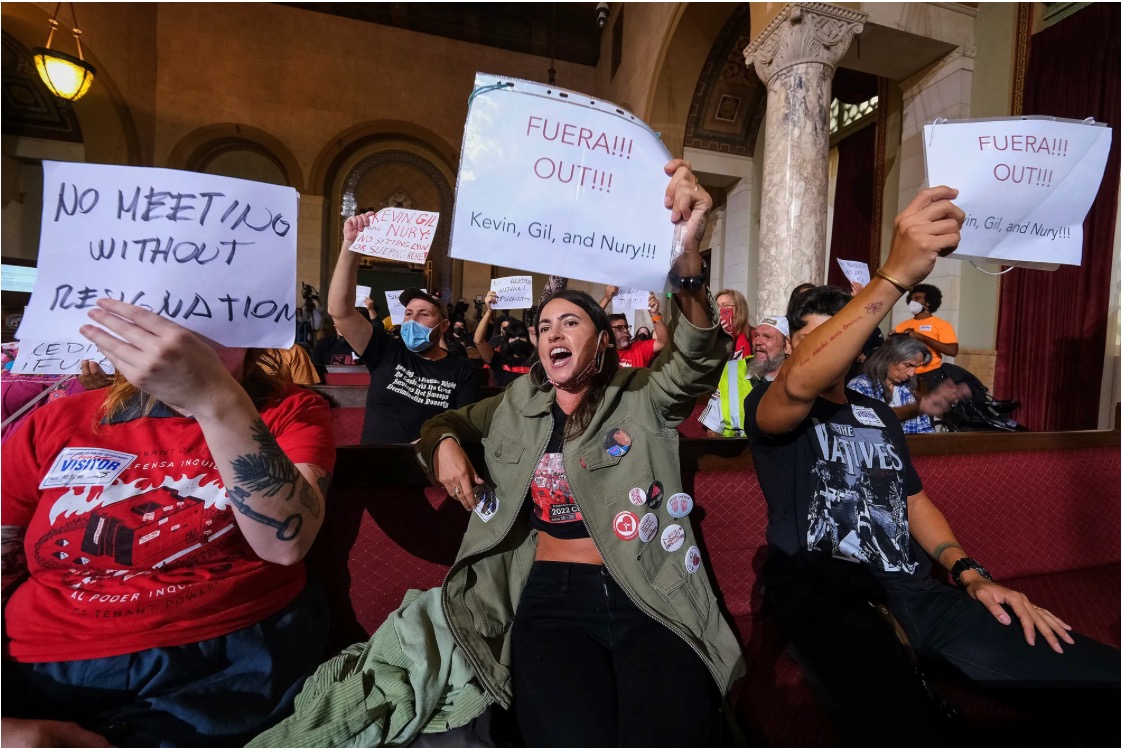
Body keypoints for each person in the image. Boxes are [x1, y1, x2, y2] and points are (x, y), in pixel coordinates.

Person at [745, 186, 1119, 745]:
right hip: (824, 595)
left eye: (836, 336)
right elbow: (799, 383)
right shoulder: (770, 403)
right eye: (809, 338)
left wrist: (972, 575)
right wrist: (895, 274)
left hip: (915, 590)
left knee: (1096, 679)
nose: (821, 347)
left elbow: (913, 500)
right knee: (903, 725)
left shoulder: (877, 414)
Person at [415, 161, 744, 746]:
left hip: (648, 584)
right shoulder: (517, 402)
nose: (553, 334)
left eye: (570, 322)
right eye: (544, 327)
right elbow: (446, 422)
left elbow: (696, 358)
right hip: (550, 593)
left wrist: (687, 253)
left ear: (602, 341)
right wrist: (443, 444)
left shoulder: (643, 397)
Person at [1, 300, 335, 747]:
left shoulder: (290, 411)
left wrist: (214, 399)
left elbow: (286, 542)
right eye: (166, 312)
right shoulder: (56, 420)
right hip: (38, 659)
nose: (178, 336)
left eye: (211, 313)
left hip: (216, 661)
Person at [327, 218, 478, 444]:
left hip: (428, 462)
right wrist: (351, 244)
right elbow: (340, 311)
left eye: (423, 314)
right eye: (408, 314)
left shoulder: (462, 369)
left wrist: (430, 443)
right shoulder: (386, 350)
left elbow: (465, 427)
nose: (412, 321)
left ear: (444, 325)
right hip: (376, 462)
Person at [847, 333, 969, 434]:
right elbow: (868, 425)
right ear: (888, 358)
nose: (911, 373)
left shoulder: (908, 391)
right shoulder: (860, 387)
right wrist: (917, 408)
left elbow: (925, 433)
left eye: (915, 367)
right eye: (907, 365)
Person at [700, 314, 789, 437]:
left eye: (767, 337)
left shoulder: (798, 378)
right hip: (737, 448)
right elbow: (712, 430)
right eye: (756, 335)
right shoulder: (732, 371)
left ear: (787, 345)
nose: (758, 342)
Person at [894, 283, 958, 376]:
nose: (912, 301)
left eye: (917, 298)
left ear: (929, 302)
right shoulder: (902, 325)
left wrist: (921, 337)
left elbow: (952, 351)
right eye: (911, 299)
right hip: (906, 374)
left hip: (931, 374)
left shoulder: (942, 325)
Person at [474, 292, 535, 387]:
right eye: (513, 337)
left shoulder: (534, 360)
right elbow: (478, 341)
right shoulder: (500, 359)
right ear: (507, 340)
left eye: (521, 336)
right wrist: (489, 312)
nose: (517, 339)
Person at [606, 291, 668, 368]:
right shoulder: (603, 352)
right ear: (608, 331)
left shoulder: (639, 348)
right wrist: (606, 299)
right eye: (619, 328)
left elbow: (663, 342)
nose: (625, 330)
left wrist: (655, 314)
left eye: (626, 327)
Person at [715, 288, 754, 360]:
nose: (720, 310)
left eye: (725, 306)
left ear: (739, 309)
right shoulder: (712, 336)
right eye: (717, 306)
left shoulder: (753, 335)